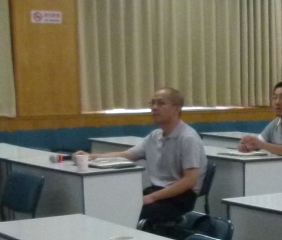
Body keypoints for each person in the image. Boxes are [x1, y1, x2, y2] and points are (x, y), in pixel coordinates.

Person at [81, 88, 208, 229]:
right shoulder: (155, 136)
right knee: (114, 205)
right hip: (157, 192)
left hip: (180, 197)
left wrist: (151, 197)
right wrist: (91, 157)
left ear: (176, 109)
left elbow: (189, 181)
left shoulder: (188, 138)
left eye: (160, 103)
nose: (154, 107)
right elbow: (127, 155)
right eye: (152, 103)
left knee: (131, 213)